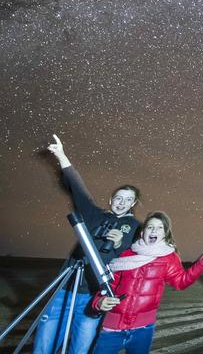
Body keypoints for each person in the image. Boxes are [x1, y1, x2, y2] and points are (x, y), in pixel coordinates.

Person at [34, 135, 141, 354]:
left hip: (93, 294)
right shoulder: (94, 215)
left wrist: (120, 244)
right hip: (64, 289)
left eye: (128, 199)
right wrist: (62, 156)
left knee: (81, 348)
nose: (122, 202)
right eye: (118, 197)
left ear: (133, 204)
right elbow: (77, 188)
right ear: (111, 200)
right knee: (45, 344)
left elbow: (139, 256)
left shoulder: (136, 227)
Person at [92, 211, 203, 353]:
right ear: (142, 233)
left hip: (143, 329)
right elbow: (109, 284)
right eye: (150, 227)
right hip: (113, 326)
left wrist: (202, 263)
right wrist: (99, 301)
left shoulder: (169, 258)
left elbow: (181, 282)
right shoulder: (126, 254)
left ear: (165, 234)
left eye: (160, 227)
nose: (154, 230)